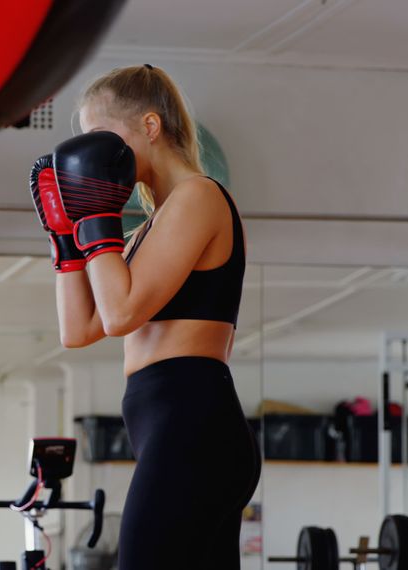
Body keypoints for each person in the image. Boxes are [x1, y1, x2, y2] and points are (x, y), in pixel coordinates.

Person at [32, 64, 261, 569]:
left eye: (99, 136)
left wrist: (93, 218)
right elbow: (79, 329)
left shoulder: (199, 197)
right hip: (173, 427)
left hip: (193, 422)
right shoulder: (142, 233)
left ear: (150, 127)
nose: (88, 154)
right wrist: (66, 239)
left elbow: (120, 314)